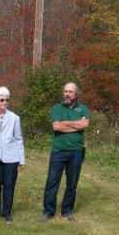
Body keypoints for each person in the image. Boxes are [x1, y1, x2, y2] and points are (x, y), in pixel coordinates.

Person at [39, 82, 90, 222]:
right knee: (52, 182)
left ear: (76, 94)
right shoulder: (57, 108)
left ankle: (67, 210)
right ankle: (48, 211)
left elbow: (85, 124)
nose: (67, 94)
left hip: (76, 152)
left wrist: (65, 124)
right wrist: (76, 125)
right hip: (59, 151)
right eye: (65, 91)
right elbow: (56, 127)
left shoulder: (83, 108)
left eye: (70, 92)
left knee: (72, 183)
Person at [0, 86, 25, 222]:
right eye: (1, 99)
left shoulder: (15, 118)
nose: (4, 102)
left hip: (11, 157)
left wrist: (21, 160)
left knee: (9, 185)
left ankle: (7, 212)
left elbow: (18, 139)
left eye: (7, 100)